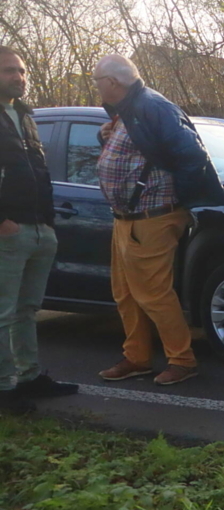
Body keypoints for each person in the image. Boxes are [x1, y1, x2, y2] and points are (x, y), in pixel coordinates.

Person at [92, 55, 224, 386]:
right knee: (125, 293)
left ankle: (182, 360)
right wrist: (105, 136)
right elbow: (137, 149)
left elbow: (192, 156)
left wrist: (175, 201)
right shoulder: (129, 109)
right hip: (127, 218)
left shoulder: (153, 106)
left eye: (97, 81)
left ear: (112, 82)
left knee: (154, 294)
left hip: (152, 217)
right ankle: (137, 358)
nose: (96, 87)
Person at [0, 45, 78, 415]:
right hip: (8, 231)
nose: (19, 76)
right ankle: (4, 388)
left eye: (21, 70)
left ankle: (29, 377)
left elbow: (40, 173)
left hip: (39, 228)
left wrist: (47, 221)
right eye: (9, 70)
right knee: (3, 312)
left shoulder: (24, 115)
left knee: (27, 310)